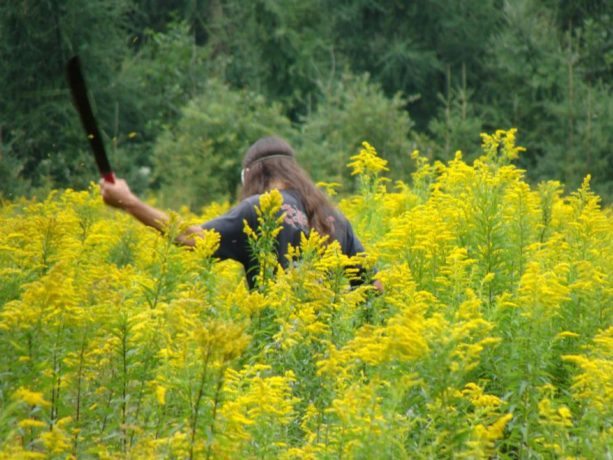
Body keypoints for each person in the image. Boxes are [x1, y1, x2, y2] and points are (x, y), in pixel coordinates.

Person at [100, 136, 380, 290]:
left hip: (280, 357)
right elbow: (375, 286)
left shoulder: (262, 207)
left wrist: (129, 202)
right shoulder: (336, 219)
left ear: (250, 175)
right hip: (334, 364)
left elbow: (191, 238)